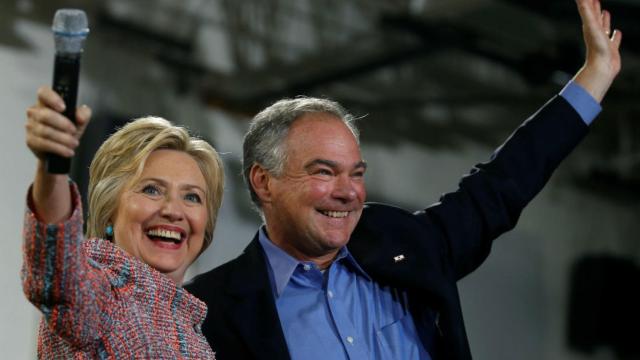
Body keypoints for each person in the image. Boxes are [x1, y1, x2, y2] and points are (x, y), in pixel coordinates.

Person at [185, 0, 622, 359]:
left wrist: (594, 79)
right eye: (324, 172)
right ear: (264, 182)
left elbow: (501, 185)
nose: (348, 192)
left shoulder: (404, 244)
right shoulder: (206, 311)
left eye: (356, 174)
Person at [21, 87, 223, 358]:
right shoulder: (103, 296)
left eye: (192, 197)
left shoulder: (196, 334)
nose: (174, 210)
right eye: (151, 189)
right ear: (109, 208)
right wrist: (53, 166)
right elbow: (58, 271)